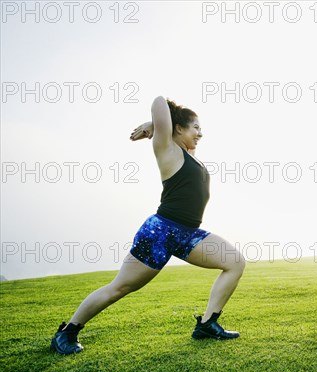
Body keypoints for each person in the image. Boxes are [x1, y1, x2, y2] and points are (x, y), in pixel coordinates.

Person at [51, 96, 246, 355]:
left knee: (234, 262)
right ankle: (67, 332)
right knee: (120, 287)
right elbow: (158, 101)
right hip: (160, 232)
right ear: (178, 128)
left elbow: (185, 142)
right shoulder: (167, 149)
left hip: (188, 234)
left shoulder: (190, 155)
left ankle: (207, 325)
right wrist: (153, 123)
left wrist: (157, 127)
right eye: (195, 127)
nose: (201, 133)